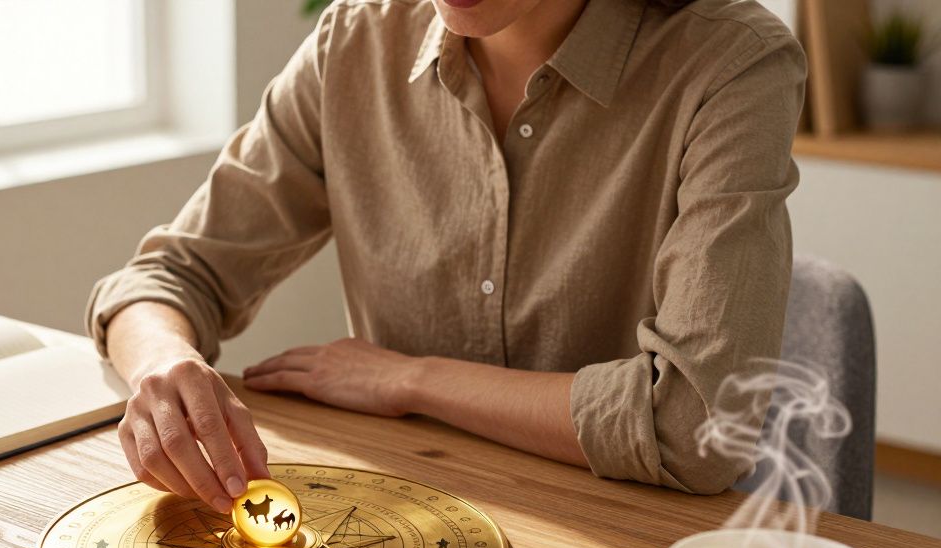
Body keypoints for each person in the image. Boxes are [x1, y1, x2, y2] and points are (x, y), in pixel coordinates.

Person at [86, 0, 805, 513]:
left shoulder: (732, 63)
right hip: (400, 522)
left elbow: (695, 428)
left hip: (623, 538)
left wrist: (412, 380)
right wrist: (160, 364)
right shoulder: (354, 42)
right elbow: (167, 278)